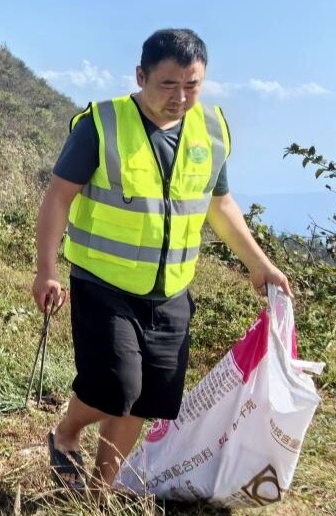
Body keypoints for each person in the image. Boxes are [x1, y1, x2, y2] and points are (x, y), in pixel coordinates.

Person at [31, 28, 291, 490]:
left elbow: (220, 204)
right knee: (117, 387)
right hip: (104, 281)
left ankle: (99, 492)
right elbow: (58, 197)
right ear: (141, 76)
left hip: (171, 289)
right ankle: (66, 434)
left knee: (147, 398)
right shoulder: (102, 124)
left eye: (192, 85)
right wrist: (47, 270)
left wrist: (259, 264)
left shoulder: (210, 130)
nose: (180, 97)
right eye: (168, 84)